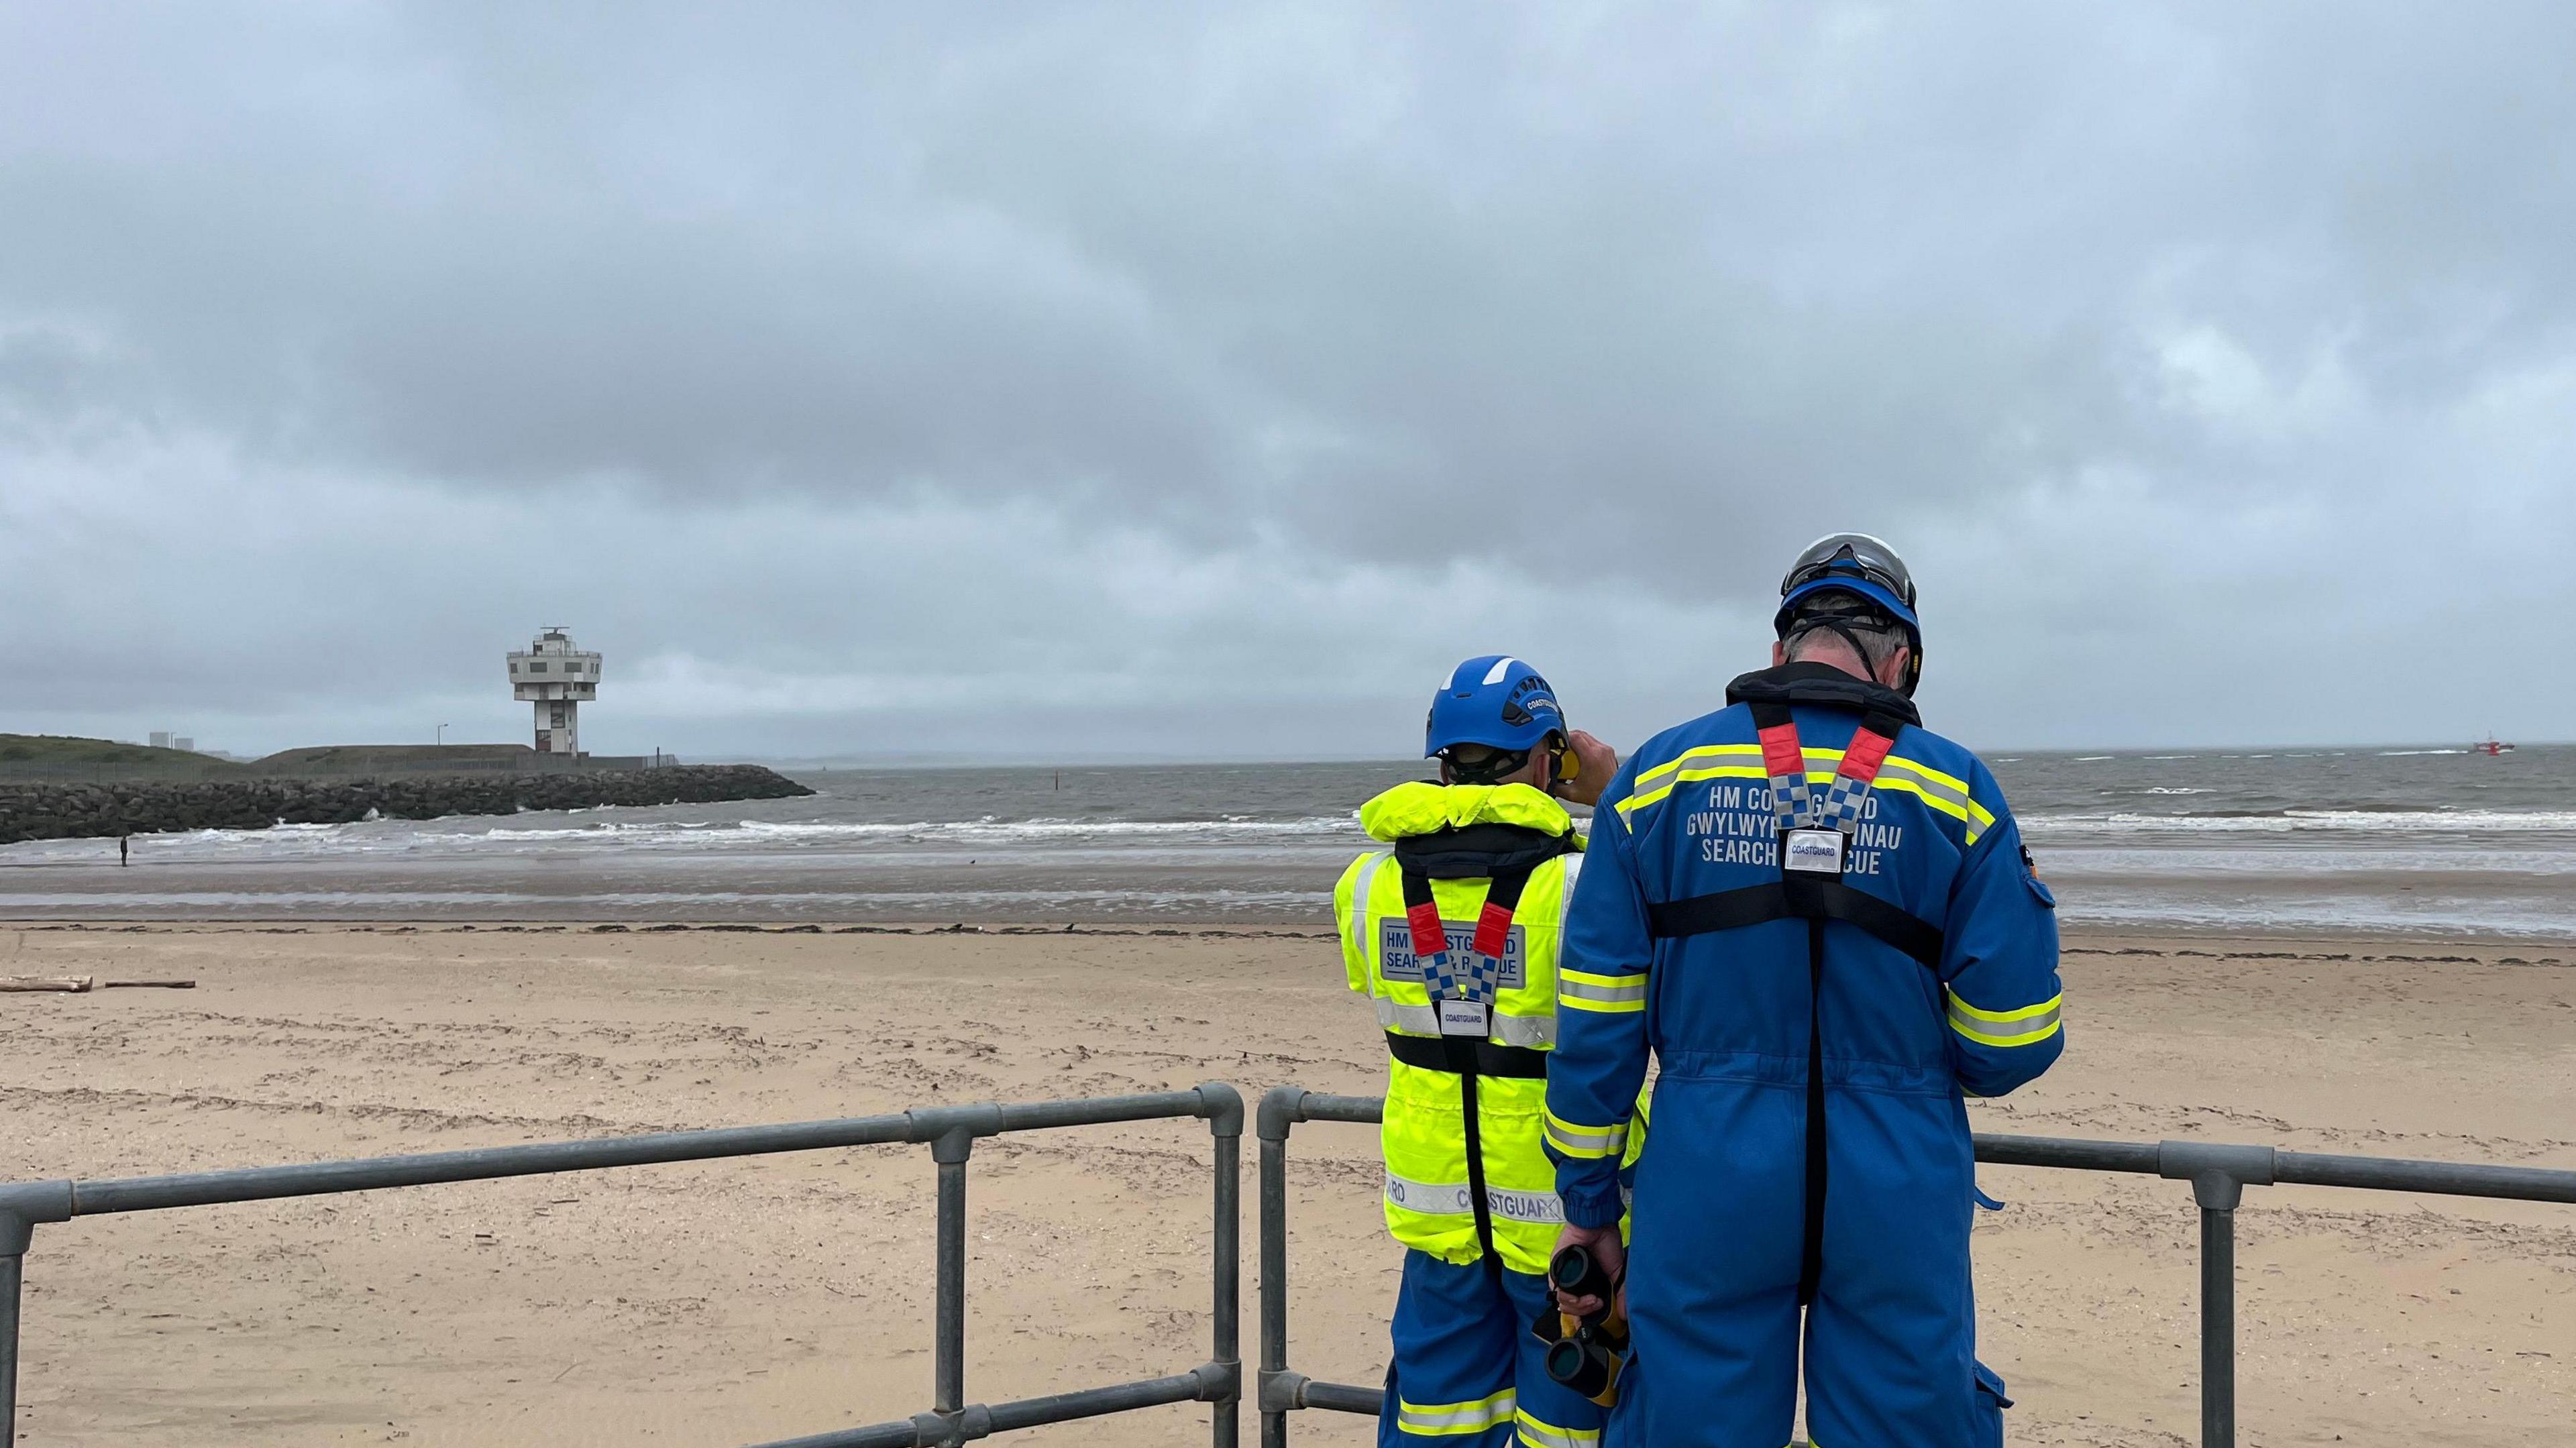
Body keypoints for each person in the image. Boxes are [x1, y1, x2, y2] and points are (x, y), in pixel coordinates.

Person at [1542, 535, 2065, 1448]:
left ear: (1782, 647)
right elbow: (2012, 1038)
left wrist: (1590, 1208)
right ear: (1901, 660)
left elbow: (1597, 1026)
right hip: (1896, 1174)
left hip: (1708, 1168)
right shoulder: (1959, 790)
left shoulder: (1654, 782)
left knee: (1685, 1422)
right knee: (1904, 1423)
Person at [1334, 655, 1635, 1448]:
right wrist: (1618, 791)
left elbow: (1392, 978)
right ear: (1549, 757)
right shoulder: (1580, 885)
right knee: (1567, 1426)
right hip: (1569, 1215)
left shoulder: (1366, 884)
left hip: (1439, 1210)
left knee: (1436, 1421)